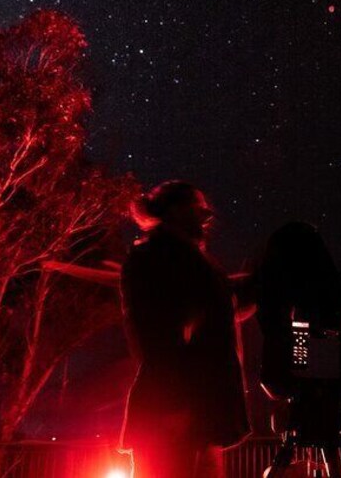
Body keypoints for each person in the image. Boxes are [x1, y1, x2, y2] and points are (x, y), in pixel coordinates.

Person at [119, 181, 252, 478]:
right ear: (175, 211)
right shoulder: (157, 256)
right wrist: (174, 405)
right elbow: (152, 333)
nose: (207, 218)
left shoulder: (187, 258)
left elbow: (216, 314)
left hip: (197, 411)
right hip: (177, 411)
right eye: (199, 209)